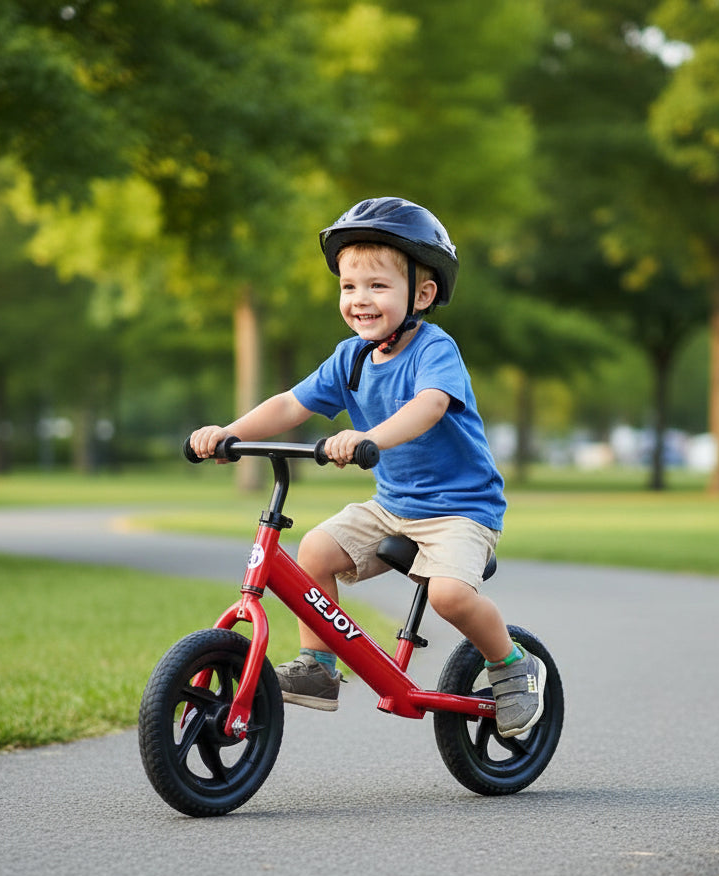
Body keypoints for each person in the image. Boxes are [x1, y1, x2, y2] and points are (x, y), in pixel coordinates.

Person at [189, 197, 545, 737]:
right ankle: (317, 666)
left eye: (378, 286)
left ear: (422, 294)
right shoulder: (350, 356)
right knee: (313, 550)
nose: (360, 299)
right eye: (349, 287)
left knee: (450, 596)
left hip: (460, 510)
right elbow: (291, 404)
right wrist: (231, 432)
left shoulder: (434, 349)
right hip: (393, 505)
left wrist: (367, 438)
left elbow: (429, 405)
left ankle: (512, 665)